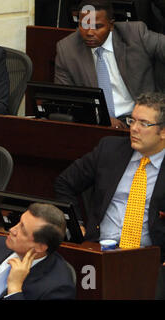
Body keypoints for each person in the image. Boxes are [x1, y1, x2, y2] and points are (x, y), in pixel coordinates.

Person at [54, 92, 165, 299]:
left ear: (163, 132)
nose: (133, 128)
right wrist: (76, 223)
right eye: (132, 120)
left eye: (144, 123)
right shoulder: (110, 149)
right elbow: (64, 183)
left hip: (149, 262)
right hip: (99, 251)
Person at [54, 0, 165, 128]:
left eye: (97, 26)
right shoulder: (67, 49)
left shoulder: (136, 34)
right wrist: (102, 118)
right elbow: (64, 100)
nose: (89, 32)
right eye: (84, 25)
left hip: (143, 122)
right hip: (97, 126)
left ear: (111, 25)